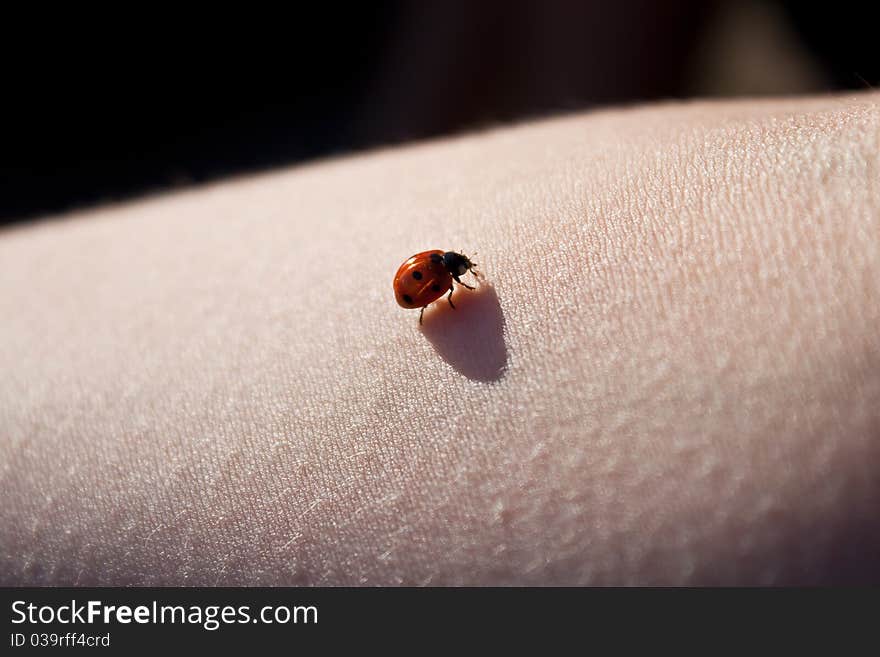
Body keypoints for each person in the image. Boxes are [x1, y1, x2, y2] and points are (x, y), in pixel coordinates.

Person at [1, 91, 878, 585]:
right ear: (446, 274)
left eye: (446, 278)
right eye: (450, 279)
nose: (452, 282)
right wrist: (446, 300)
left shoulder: (441, 276)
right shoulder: (442, 280)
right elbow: (435, 292)